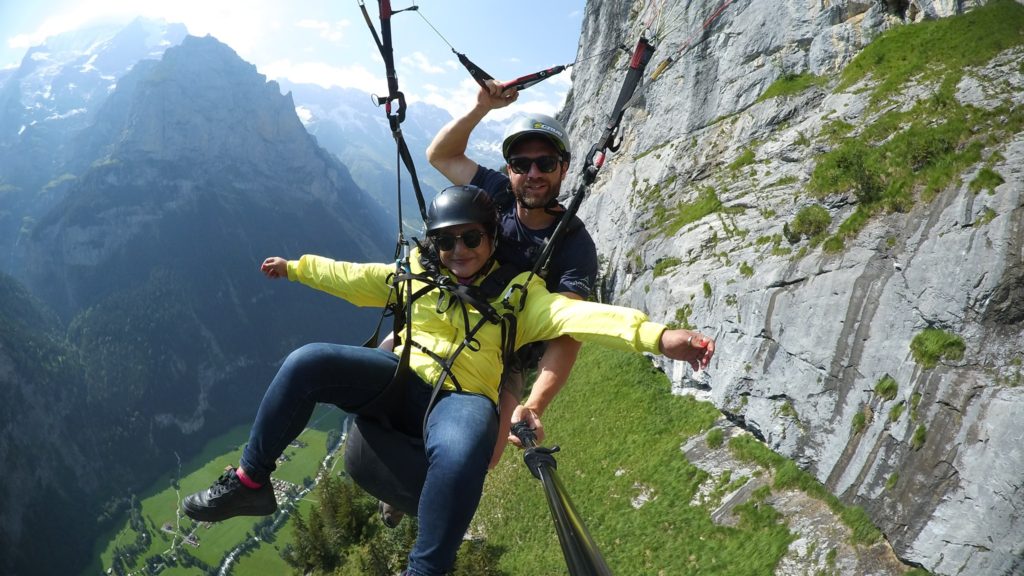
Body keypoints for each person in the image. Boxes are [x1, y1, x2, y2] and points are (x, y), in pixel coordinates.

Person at [181, 185, 715, 576]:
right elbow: (353, 277)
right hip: (401, 377)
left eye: (471, 239)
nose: (458, 251)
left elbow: (584, 318)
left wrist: (661, 338)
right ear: (432, 243)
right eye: (446, 241)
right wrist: (296, 267)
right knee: (308, 362)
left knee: (462, 452)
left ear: (491, 239)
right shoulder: (415, 274)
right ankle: (251, 482)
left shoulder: (519, 295)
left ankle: (425, 571)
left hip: (462, 398)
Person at [426, 80, 597, 465]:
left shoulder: (574, 245)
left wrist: (534, 403)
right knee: (390, 361)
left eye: (546, 164)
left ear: (564, 169)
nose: (533, 173)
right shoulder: (498, 191)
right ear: (510, 169)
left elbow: (567, 332)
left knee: (488, 454)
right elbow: (440, 155)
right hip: (453, 309)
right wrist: (481, 107)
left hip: (507, 352)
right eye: (521, 164)